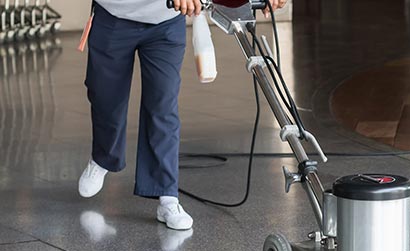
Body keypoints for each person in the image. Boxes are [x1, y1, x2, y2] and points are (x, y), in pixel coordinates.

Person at [78, 0, 288, 230]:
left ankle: (166, 195)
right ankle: (103, 157)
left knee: (163, 104)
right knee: (105, 96)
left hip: (165, 21)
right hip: (113, 14)